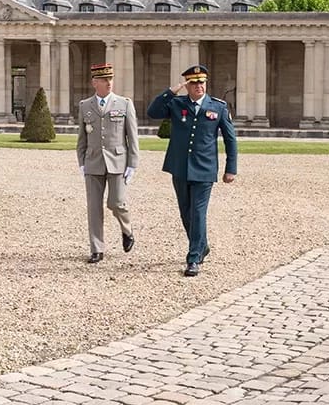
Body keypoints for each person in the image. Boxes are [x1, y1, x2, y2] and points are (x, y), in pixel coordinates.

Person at [147, 64, 238, 277]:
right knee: (186, 212)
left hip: (205, 169)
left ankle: (193, 257)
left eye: (202, 82)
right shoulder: (176, 104)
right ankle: (202, 244)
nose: (199, 86)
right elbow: (153, 112)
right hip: (179, 167)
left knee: (198, 213)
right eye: (195, 83)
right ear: (188, 85)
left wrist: (230, 168)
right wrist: (171, 91)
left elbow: (230, 139)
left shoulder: (219, 107)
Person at [76, 62, 138, 264]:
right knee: (94, 207)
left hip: (118, 161)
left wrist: (132, 164)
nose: (108, 82)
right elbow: (81, 137)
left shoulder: (125, 103)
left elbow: (132, 136)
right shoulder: (85, 105)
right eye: (104, 79)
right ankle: (97, 248)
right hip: (93, 161)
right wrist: (81, 161)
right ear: (95, 82)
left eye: (110, 79)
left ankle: (127, 229)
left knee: (116, 202)